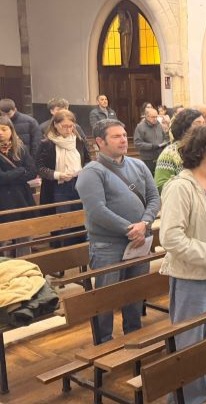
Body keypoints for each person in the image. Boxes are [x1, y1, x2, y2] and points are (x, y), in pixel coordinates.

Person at [159, 124, 206, 403]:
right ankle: (192, 400)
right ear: (200, 150)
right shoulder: (181, 186)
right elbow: (171, 237)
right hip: (192, 277)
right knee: (191, 345)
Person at [76, 119, 160, 344]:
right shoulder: (92, 172)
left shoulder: (138, 165)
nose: (123, 139)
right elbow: (97, 211)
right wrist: (131, 229)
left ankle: (134, 337)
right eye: (116, 136)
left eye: (124, 135)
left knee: (134, 293)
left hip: (138, 240)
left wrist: (145, 223)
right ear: (99, 142)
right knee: (106, 298)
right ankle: (104, 344)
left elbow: (154, 198)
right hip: (108, 245)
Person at [36, 110, 92, 246]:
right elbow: (39, 167)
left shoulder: (78, 141)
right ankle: (62, 255)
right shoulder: (47, 143)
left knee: (80, 220)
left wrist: (83, 171)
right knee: (62, 224)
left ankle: (80, 252)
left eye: (71, 126)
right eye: (64, 126)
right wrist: (58, 174)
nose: (68, 129)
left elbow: (88, 161)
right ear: (55, 124)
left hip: (78, 184)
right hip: (56, 187)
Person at [0, 116, 38, 257]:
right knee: (3, 238)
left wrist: (10, 176)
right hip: (2, 200)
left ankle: (24, 265)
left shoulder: (20, 148)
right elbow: (1, 178)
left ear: (11, 130)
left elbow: (33, 171)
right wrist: (20, 170)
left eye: (4, 129)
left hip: (22, 198)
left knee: (23, 236)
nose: (0, 133)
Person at [154, 108, 205, 192]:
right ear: (185, 127)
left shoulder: (205, 149)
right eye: (198, 123)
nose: (203, 127)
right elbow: (160, 186)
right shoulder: (169, 154)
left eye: (203, 123)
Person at [133, 107, 168, 174]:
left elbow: (165, 137)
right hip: (148, 159)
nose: (155, 119)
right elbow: (137, 143)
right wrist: (151, 146)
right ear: (147, 116)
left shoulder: (159, 125)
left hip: (160, 157)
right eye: (153, 117)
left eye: (156, 117)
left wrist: (164, 143)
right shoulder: (140, 127)